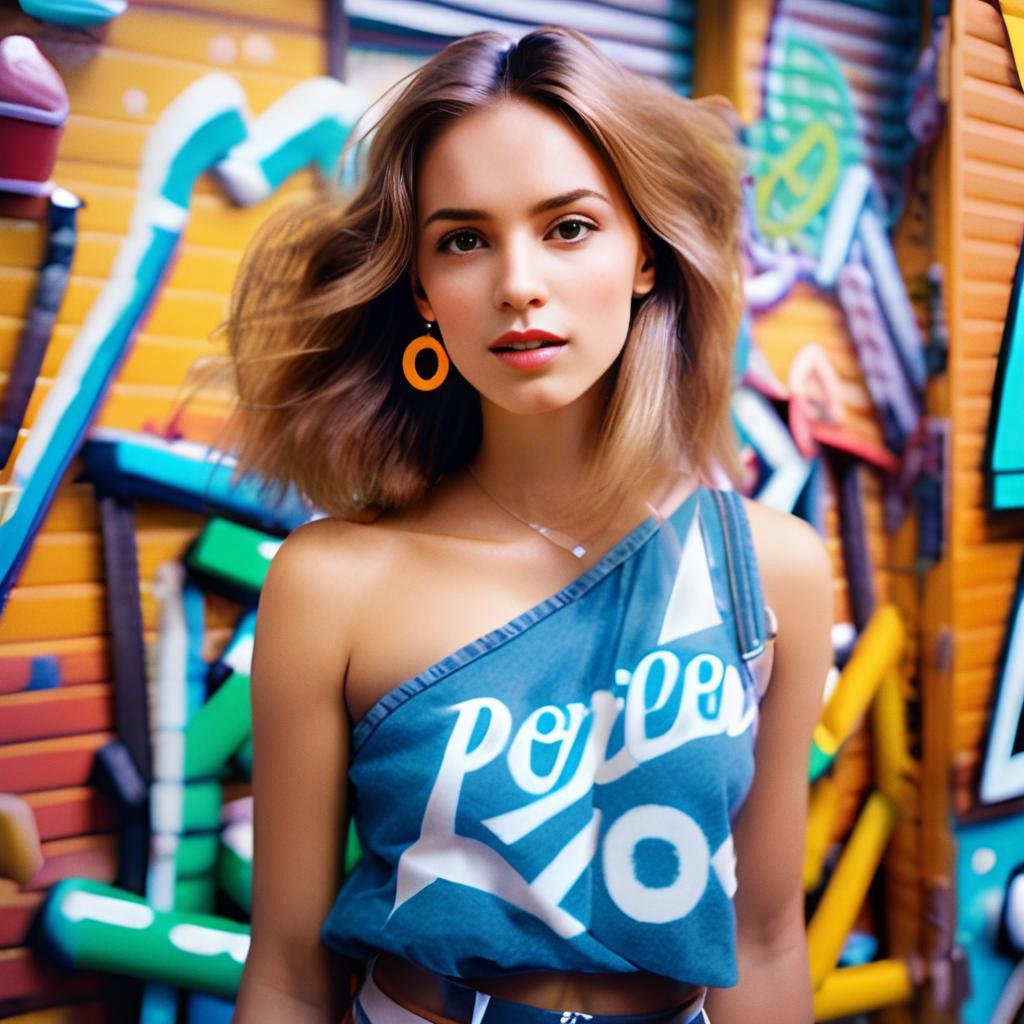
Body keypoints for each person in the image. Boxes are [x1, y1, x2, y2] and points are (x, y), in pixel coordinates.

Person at [228, 25, 833, 1024]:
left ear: (645, 252)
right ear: (421, 289)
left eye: (568, 227)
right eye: (464, 239)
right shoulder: (332, 580)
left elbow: (765, 937)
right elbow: (289, 972)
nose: (517, 283)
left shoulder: (770, 570)